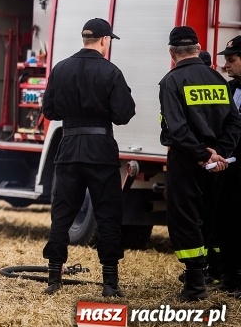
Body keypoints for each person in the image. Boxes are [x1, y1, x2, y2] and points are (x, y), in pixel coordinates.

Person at [41, 18, 136, 297]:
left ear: (85, 39)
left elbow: (49, 110)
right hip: (101, 151)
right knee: (107, 215)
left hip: (69, 147)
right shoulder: (111, 72)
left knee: (62, 216)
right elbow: (124, 114)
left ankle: (53, 278)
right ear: (105, 40)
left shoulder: (60, 69)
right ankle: (109, 283)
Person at [159, 26, 241, 301]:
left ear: (172, 53)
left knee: (184, 218)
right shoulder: (218, 79)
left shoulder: (172, 81)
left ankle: (194, 284)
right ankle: (207, 273)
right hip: (216, 163)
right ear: (197, 47)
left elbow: (177, 129)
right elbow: (234, 121)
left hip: (186, 160)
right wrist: (219, 152)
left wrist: (202, 154)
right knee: (209, 216)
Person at [213, 35, 241, 297]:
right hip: (228, 168)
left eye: (231, 60)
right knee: (226, 221)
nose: (226, 65)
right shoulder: (229, 89)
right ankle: (230, 276)